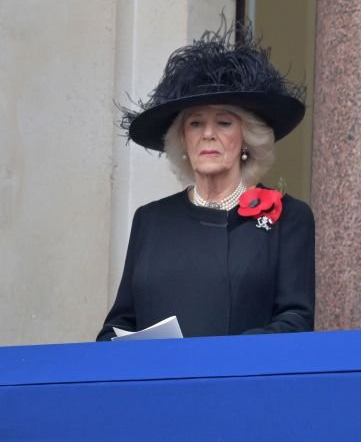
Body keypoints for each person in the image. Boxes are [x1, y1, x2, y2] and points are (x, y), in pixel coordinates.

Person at [97, 24, 315, 340]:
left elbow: (295, 320)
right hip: (160, 385)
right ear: (182, 140)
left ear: (247, 139)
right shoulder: (151, 219)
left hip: (242, 382)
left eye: (224, 122)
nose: (208, 134)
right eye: (195, 123)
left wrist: (222, 359)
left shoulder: (289, 218)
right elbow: (119, 324)